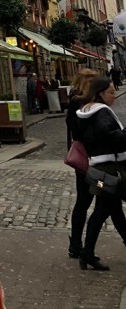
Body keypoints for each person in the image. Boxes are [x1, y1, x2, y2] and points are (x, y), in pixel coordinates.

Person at [76, 76, 126, 271]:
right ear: (100, 94)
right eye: (111, 92)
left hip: (101, 168)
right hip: (109, 169)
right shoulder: (102, 113)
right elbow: (112, 137)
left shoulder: (88, 111)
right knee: (104, 210)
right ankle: (86, 253)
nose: (114, 96)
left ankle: (86, 253)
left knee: (107, 209)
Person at [66, 68, 99, 259]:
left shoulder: (78, 102)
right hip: (89, 162)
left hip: (87, 163)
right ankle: (78, 245)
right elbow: (78, 132)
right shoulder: (81, 104)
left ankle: (76, 244)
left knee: (88, 202)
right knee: (93, 200)